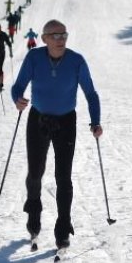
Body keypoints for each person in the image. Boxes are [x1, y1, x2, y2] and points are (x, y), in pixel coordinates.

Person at [11, 19, 102, 249]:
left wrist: (96, 121)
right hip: (38, 119)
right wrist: (17, 99)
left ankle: (63, 227)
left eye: (64, 35)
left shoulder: (76, 61)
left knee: (63, 177)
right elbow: (17, 86)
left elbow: (90, 93)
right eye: (55, 35)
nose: (60, 40)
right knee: (35, 172)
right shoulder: (34, 58)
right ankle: (33, 209)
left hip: (66, 121)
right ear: (44, 38)